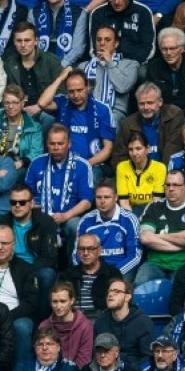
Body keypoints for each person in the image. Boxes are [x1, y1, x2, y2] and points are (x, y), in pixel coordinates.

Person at [24, 124, 94, 257]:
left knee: (76, 226)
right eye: (52, 144)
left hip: (69, 217)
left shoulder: (82, 165)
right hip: (40, 217)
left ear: (69, 144)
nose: (56, 147)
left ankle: (73, 265)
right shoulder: (37, 163)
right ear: (47, 144)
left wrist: (65, 216)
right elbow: (26, 195)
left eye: (60, 143)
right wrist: (36, 210)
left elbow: (87, 202)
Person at [0, 184, 59, 318]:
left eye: (22, 202)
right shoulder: (2, 222)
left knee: (47, 274)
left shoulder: (45, 222)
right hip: (8, 266)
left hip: (34, 268)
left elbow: (49, 258)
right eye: (13, 202)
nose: (17, 206)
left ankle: (41, 322)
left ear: (31, 204)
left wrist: (28, 270)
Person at [37, 70, 114, 180]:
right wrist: (60, 78)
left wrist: (85, 164)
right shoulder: (63, 103)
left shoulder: (102, 109)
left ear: (88, 87)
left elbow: (108, 149)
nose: (76, 95)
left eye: (79, 90)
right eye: (71, 91)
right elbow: (42, 103)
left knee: (88, 179)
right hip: (62, 163)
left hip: (92, 164)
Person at [136, 170, 185, 285]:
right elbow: (145, 238)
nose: (171, 189)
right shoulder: (154, 206)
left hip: (184, 264)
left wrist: (158, 236)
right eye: (168, 185)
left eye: (176, 185)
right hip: (155, 264)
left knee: (180, 291)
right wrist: (181, 245)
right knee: (141, 285)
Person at [0, 224, 38, 365]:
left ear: (14, 244)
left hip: (15, 316)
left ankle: (21, 369)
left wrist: (7, 317)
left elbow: (32, 302)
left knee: (23, 326)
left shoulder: (26, 269)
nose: (0, 247)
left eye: (5, 243)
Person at [2, 22, 63, 133]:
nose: (23, 45)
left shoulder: (51, 61)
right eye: (19, 41)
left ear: (36, 41)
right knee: (5, 124)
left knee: (47, 119)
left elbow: (62, 97)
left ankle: (40, 145)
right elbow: (6, 93)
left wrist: (39, 107)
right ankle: (11, 143)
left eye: (27, 40)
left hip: (45, 111)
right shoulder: (9, 63)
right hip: (17, 111)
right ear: (14, 42)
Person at [75, 182, 141, 279]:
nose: (102, 201)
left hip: (121, 270)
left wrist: (113, 273)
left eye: (107, 197)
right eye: (99, 197)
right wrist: (89, 272)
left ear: (116, 198)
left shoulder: (129, 219)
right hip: (91, 269)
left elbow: (135, 256)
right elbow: (76, 254)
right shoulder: (86, 220)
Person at [112, 82, 184, 168]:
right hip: (137, 172)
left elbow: (173, 150)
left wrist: (162, 173)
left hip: (167, 171)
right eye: (141, 104)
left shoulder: (173, 115)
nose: (145, 107)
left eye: (150, 103)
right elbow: (119, 157)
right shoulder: (127, 124)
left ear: (160, 102)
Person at [78, 26, 137, 130]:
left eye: (107, 40)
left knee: (111, 122)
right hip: (86, 110)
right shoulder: (83, 67)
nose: (102, 43)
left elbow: (122, 87)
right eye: (99, 39)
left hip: (114, 113)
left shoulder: (130, 65)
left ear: (116, 44)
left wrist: (109, 62)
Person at [87, 0, 156, 64]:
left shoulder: (143, 12)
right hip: (104, 63)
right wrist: (110, 62)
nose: (116, 2)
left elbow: (149, 48)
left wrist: (128, 64)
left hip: (135, 63)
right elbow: (93, 49)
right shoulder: (97, 14)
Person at [93, 279, 153, 371]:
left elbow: (148, 358)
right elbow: (95, 353)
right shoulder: (101, 321)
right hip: (106, 369)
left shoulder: (142, 322)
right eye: (109, 292)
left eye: (116, 291)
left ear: (127, 297)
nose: (110, 295)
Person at [32, 0, 88, 68]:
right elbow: (31, 44)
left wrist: (60, 66)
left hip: (67, 64)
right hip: (40, 63)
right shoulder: (34, 12)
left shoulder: (79, 13)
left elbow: (78, 49)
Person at [145, 29, 185, 116]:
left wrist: (183, 116)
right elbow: (149, 96)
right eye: (164, 49)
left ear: (182, 49)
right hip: (161, 115)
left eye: (172, 48)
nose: (168, 53)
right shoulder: (154, 67)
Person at [0, 85, 44, 178]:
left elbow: (37, 152)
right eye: (7, 103)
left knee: (8, 176)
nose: (10, 106)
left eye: (15, 102)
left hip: (19, 165)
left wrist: (21, 162)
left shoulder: (33, 126)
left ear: (22, 104)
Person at [61, 234, 121, 320]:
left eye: (91, 249)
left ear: (100, 251)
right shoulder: (68, 275)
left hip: (102, 320)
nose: (85, 253)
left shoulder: (112, 274)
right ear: (77, 251)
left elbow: (118, 303)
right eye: (81, 249)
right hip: (73, 320)